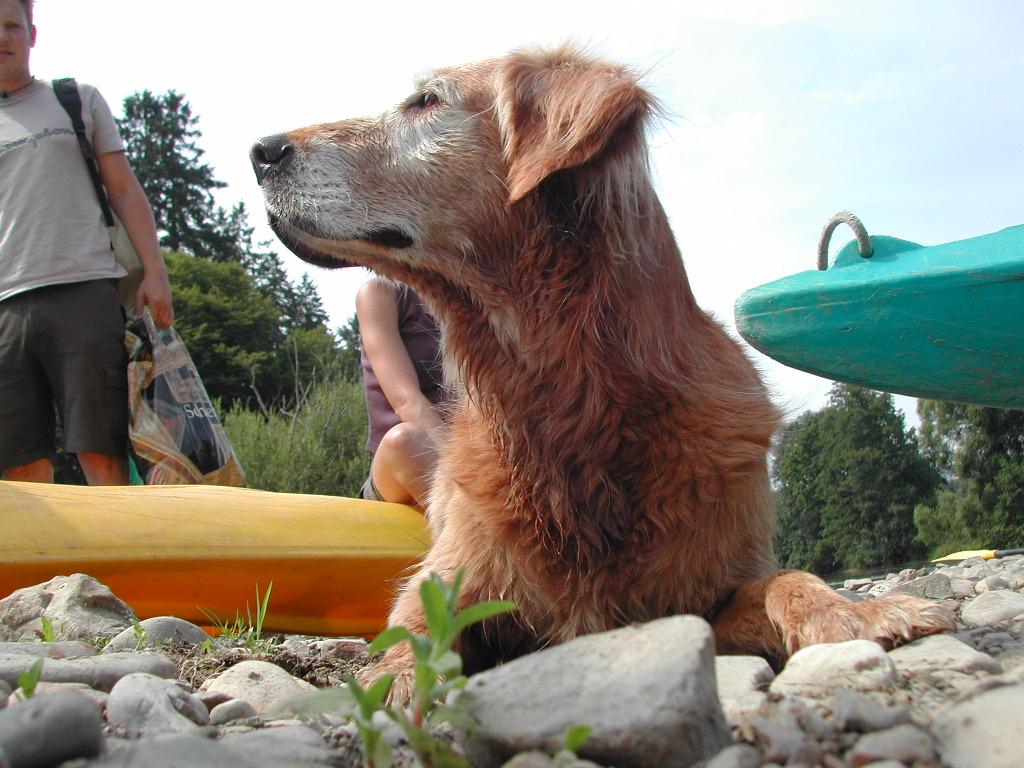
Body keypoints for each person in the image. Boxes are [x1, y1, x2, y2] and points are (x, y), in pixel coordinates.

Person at [0, 0, 174, 485]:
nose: (3, 37)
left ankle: (122, 560)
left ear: (32, 34)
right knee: (18, 467)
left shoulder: (75, 99)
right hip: (3, 306)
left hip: (83, 288)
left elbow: (123, 188)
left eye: (12, 25)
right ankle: (37, 563)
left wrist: (155, 271)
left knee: (101, 450)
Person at [357, 277, 449, 508]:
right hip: (404, 466)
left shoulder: (470, 309)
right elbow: (406, 401)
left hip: (469, 462)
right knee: (407, 441)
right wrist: (465, 466)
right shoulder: (381, 294)